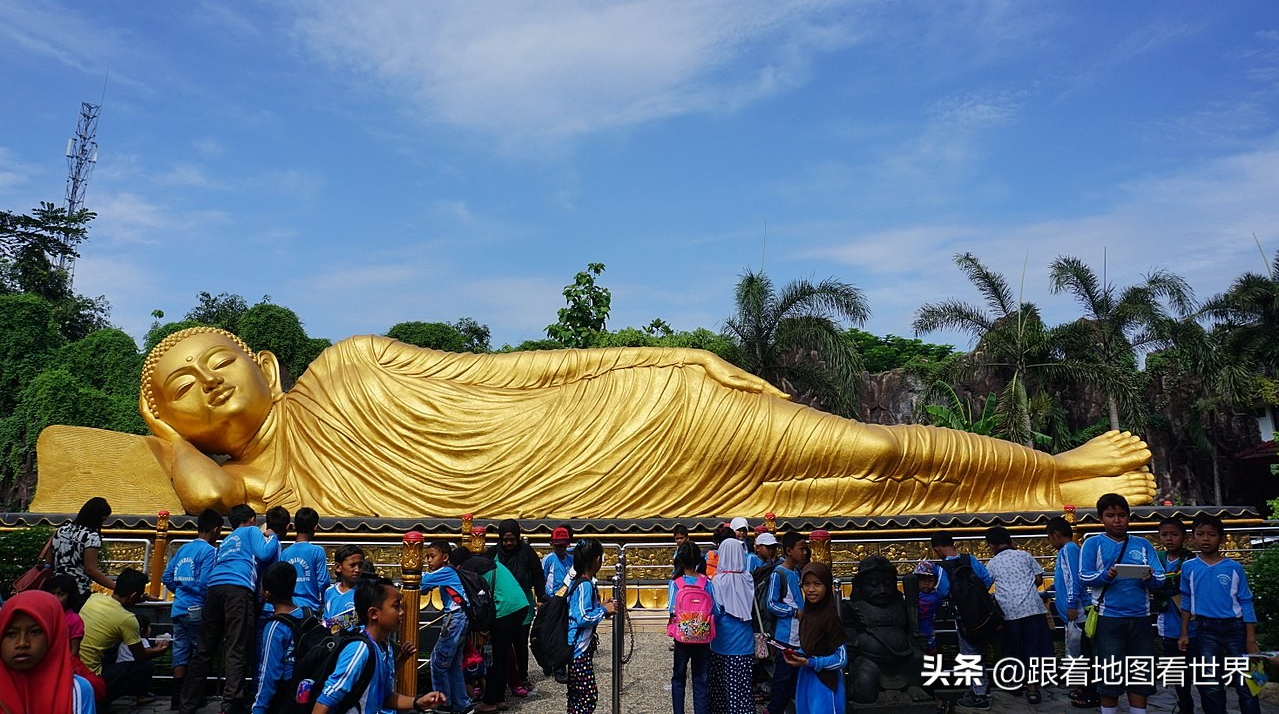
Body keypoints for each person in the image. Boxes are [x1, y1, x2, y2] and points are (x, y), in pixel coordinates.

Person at [38, 328, 1158, 519]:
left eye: (217, 360)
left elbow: (515, 371)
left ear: (262, 360)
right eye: (177, 385)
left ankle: (1057, 469)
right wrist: (162, 440)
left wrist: (656, 356)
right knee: (834, 493)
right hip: (601, 493)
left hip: (628, 412)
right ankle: (1042, 489)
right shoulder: (268, 491)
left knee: (868, 447)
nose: (207, 384)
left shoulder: (352, 365)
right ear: (161, 414)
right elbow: (194, 494)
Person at [179, 504, 286, 714]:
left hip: (214, 589)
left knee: (204, 649)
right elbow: (264, 554)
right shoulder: (252, 531)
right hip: (238, 590)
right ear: (252, 519)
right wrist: (272, 534)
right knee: (236, 646)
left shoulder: (227, 540)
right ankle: (231, 704)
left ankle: (187, 703)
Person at [1079, 493, 1165, 714]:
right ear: (1101, 518)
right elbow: (1085, 575)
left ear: (1129, 517)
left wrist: (1150, 578)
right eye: (1110, 515)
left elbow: (1161, 578)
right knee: (1110, 674)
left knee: (1140, 673)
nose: (1117, 520)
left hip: (1141, 618)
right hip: (1109, 618)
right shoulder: (1093, 543)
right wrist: (1106, 575)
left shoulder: (1143, 545)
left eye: (1121, 515)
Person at [312, 577, 446, 713]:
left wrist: (417, 702)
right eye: (396, 606)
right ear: (373, 613)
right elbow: (325, 700)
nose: (402, 612)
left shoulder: (382, 646)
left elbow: (384, 697)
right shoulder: (359, 650)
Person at [1179, 513, 1259, 714]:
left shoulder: (1234, 567)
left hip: (1235, 628)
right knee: (1211, 682)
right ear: (1192, 537)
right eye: (1201, 534)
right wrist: (1184, 632)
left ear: (1222, 538)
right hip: (1205, 629)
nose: (1206, 539)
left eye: (1212, 535)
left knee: (1247, 681)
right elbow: (1186, 600)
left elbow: (1246, 601)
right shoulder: (1189, 567)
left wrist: (1251, 639)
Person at [454, 546, 531, 714]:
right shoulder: (487, 562)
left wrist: (481, 625)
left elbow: (475, 599)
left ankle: (489, 701)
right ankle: (499, 698)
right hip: (520, 605)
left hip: (505, 609)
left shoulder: (467, 569)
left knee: (495, 657)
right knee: (502, 654)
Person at [79, 568, 170, 705]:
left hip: (75, 667)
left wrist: (140, 596)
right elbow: (140, 656)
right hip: (93, 675)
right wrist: (159, 650)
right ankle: (102, 701)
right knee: (146, 666)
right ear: (133, 596)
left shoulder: (94, 598)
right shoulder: (127, 619)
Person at [983, 526, 1052, 704]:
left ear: (991, 545)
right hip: (1032, 608)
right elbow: (1038, 579)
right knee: (1034, 648)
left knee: (1013, 648)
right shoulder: (1025, 556)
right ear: (1010, 540)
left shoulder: (992, 563)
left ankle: (1015, 682)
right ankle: (1033, 688)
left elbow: (985, 584)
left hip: (1009, 612)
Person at [162, 506, 222, 709]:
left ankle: (177, 696)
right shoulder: (210, 552)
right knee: (200, 652)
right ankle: (194, 695)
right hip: (197, 610)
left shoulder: (184, 548)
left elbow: (167, 577)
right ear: (215, 529)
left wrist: (180, 590)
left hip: (178, 608)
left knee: (180, 650)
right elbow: (206, 583)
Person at [0, 590, 96, 714]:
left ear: (54, 635)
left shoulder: (76, 691)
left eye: (35, 632)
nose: (22, 643)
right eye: (11, 634)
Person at [931, 531, 994, 710]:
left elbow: (943, 592)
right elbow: (987, 579)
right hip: (983, 613)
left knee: (969, 654)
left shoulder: (943, 567)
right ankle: (982, 688)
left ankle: (980, 695)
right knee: (980, 651)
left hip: (963, 616)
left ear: (937, 549)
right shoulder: (970, 559)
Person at [486, 519, 546, 698]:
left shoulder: (526, 551)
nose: (509, 543)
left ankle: (521, 676)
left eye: (512, 539)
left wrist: (541, 597)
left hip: (522, 605)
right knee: (502, 645)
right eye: (505, 540)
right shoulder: (492, 553)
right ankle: (502, 679)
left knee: (520, 642)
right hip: (500, 606)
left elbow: (537, 574)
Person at [781, 562, 847, 714]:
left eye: (817, 584)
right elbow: (810, 646)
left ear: (827, 586)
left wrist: (812, 662)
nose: (811, 590)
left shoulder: (830, 618)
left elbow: (841, 659)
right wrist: (797, 654)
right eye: (806, 584)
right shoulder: (807, 614)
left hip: (825, 683)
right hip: (806, 678)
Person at [1045, 516, 1097, 709]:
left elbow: (1074, 579)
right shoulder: (1067, 551)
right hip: (1071, 611)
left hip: (1078, 611)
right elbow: (1064, 580)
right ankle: (1083, 687)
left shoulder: (1068, 550)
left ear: (1056, 535)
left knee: (1085, 652)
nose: (1050, 543)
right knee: (1079, 651)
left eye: (1050, 538)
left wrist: (1072, 604)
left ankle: (1091, 691)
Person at [567, 538, 616, 714]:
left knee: (577, 695)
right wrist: (603, 612)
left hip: (578, 648)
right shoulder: (585, 585)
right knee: (587, 696)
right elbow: (583, 617)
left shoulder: (580, 582)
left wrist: (602, 606)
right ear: (596, 560)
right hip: (578, 649)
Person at [423, 540, 472, 714]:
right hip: (460, 618)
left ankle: (444, 702)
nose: (428, 560)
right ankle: (462, 704)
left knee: (438, 661)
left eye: (432, 556)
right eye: (427, 557)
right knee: (452, 664)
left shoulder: (445, 571)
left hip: (455, 619)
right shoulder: (449, 572)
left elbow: (420, 582)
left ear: (444, 557)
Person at [252, 561, 305, 714]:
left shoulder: (275, 627)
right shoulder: (306, 614)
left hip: (284, 695)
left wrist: (258, 709)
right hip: (304, 692)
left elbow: (269, 673)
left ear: (267, 593)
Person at [709, 538, 755, 714]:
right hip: (745, 644)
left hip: (722, 643)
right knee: (742, 691)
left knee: (721, 691)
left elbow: (717, 611)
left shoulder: (718, 581)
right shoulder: (748, 578)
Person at [42, 574, 104, 703]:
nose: (56, 598)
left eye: (61, 594)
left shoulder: (74, 620)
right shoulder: (43, 615)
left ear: (69, 596)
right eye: (52, 593)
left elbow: (73, 651)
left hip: (65, 665)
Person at [1156, 516, 1196, 714]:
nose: (1169, 539)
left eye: (1174, 534)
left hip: (1191, 623)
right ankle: (1183, 702)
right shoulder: (1158, 558)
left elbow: (1177, 583)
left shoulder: (1190, 560)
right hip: (1168, 621)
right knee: (1175, 666)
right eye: (1164, 535)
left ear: (1185, 537)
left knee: (1191, 665)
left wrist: (1157, 582)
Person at [669, 542, 714, 714]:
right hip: (702, 636)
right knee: (701, 678)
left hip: (682, 636)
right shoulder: (706, 582)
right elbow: (714, 608)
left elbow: (671, 609)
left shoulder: (676, 583)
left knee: (679, 677)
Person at [766, 530, 807, 714]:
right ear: (789, 551)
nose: (804, 552)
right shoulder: (778, 573)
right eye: (801, 548)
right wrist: (793, 612)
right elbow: (771, 603)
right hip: (785, 635)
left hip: (800, 634)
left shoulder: (797, 572)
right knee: (782, 678)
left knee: (796, 679)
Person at [50, 497, 115, 598]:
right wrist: (116, 587)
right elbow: (90, 570)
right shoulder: (91, 537)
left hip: (56, 589)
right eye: (103, 520)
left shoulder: (61, 530)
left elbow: (49, 562)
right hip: (78, 590)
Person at [282, 506, 330, 613]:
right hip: (311, 607)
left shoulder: (285, 553)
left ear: (294, 526)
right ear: (315, 527)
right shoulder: (317, 551)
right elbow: (323, 582)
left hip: (289, 608)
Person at [324, 545, 365, 633]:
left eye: (360, 565)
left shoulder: (365, 592)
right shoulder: (329, 592)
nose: (357, 570)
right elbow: (327, 620)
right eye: (352, 565)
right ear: (338, 567)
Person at [912, 562, 941, 654]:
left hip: (927, 637)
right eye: (923, 580)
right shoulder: (916, 595)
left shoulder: (933, 598)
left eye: (930, 580)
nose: (927, 583)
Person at [543, 526, 575, 597]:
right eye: (558, 546)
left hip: (568, 596)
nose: (561, 548)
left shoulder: (572, 559)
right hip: (552, 597)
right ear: (551, 544)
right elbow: (543, 579)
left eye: (563, 545)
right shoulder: (548, 559)